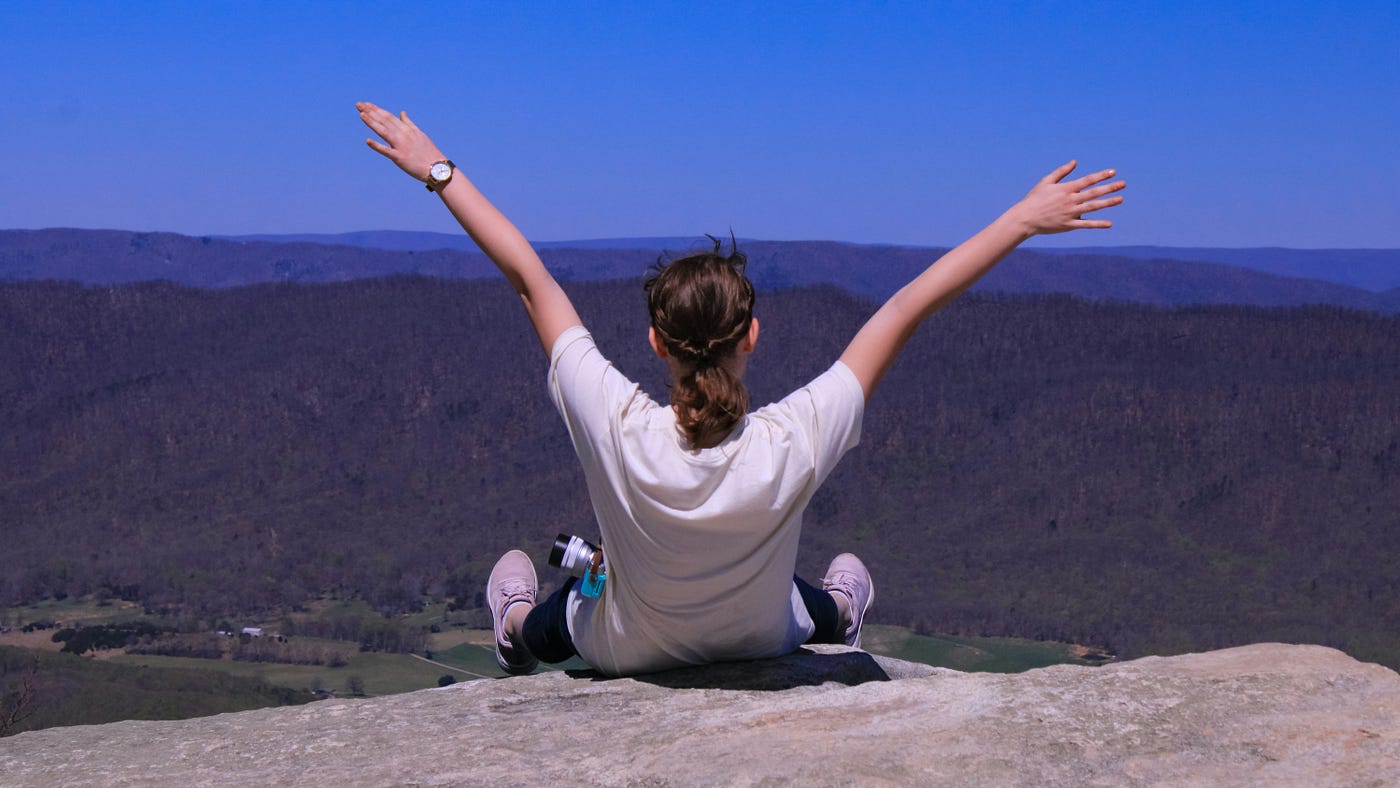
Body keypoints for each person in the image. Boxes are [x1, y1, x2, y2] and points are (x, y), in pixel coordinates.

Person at [356, 101, 1125, 677]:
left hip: (631, 649)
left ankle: (512, 628)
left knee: (568, 609)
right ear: (753, 336)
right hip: (761, 636)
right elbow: (905, 308)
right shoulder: (793, 438)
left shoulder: (615, 422)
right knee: (790, 593)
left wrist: (438, 170)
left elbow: (530, 276)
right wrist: (1022, 220)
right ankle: (844, 616)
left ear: (655, 343)